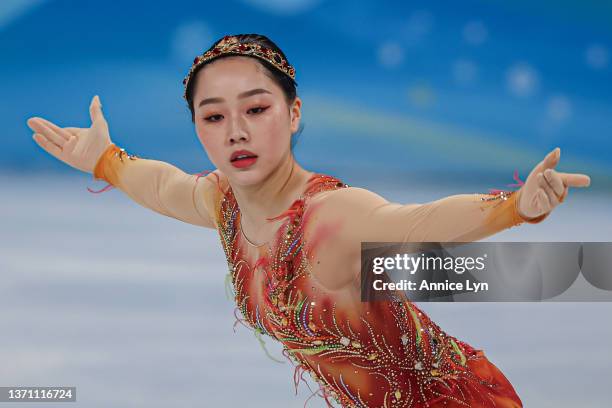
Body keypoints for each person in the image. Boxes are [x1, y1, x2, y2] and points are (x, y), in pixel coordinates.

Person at [27, 34, 591, 408]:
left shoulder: (332, 215)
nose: (236, 131)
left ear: (293, 114)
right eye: (214, 116)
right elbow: (164, 186)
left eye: (256, 108)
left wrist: (518, 208)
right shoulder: (223, 204)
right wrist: (105, 159)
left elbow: (422, 222)